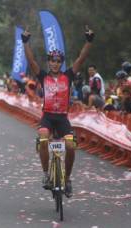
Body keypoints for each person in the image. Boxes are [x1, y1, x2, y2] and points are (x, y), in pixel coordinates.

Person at [22, 26, 94, 198]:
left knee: (70, 145)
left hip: (62, 119)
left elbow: (81, 58)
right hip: (47, 117)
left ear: (61, 62)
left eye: (58, 61)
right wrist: (25, 42)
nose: (55, 63)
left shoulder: (68, 76)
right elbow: (31, 61)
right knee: (43, 138)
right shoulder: (43, 76)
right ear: (49, 62)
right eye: (52, 61)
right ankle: (47, 174)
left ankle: (67, 179)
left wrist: (89, 41)